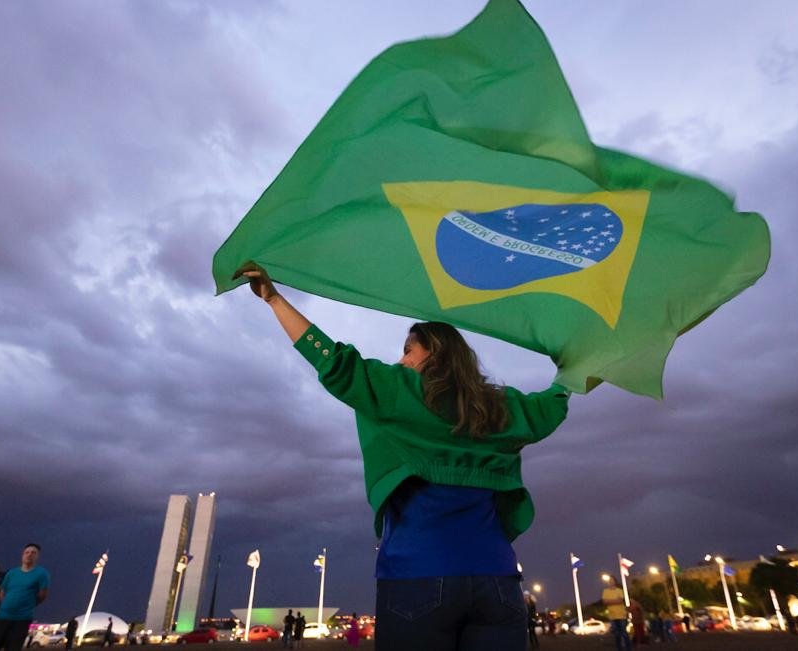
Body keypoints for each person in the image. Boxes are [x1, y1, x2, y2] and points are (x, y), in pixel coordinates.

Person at [236, 263, 571, 651]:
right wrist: (576, 364)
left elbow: (334, 362)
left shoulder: (401, 391)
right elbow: (551, 406)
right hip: (497, 584)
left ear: (436, 353)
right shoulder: (500, 407)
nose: (401, 361)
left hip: (418, 577)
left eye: (409, 350)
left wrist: (275, 299)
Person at [0, 544, 50, 651]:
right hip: (2, 617)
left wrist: (28, 605)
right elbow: (2, 591)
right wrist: (5, 605)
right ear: (22, 555)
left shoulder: (42, 573)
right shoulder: (12, 573)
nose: (29, 555)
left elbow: (42, 595)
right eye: (27, 552)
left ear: (37, 556)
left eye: (33, 553)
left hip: (22, 619)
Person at [602, 583, 631, 651]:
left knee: (624, 632)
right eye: (609, 581)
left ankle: (628, 648)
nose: (610, 582)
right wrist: (615, 600)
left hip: (621, 615)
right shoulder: (606, 591)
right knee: (617, 634)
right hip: (612, 615)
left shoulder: (619, 590)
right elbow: (604, 602)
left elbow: (620, 601)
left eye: (612, 581)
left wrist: (609, 601)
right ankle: (619, 648)